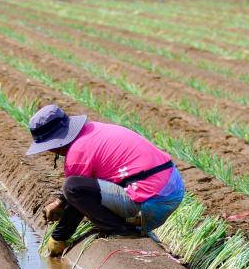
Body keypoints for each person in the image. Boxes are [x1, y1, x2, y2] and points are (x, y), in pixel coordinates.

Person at [25, 105, 184, 257]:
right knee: (77, 190)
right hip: (172, 188)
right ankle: (133, 227)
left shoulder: (77, 154)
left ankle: (121, 230)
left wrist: (58, 238)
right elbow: (93, 184)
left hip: (151, 201)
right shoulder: (93, 130)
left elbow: (76, 201)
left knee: (71, 186)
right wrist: (60, 202)